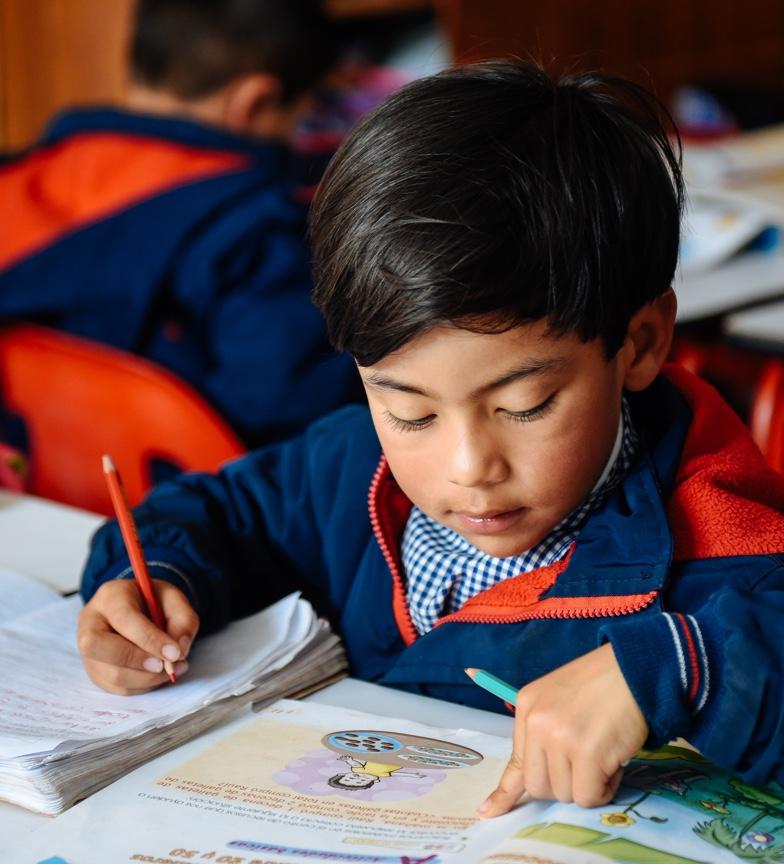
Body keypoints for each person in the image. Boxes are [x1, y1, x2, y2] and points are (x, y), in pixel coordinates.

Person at [77, 61, 784, 814]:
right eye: (411, 412)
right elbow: (218, 512)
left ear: (639, 343)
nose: (468, 467)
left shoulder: (717, 543)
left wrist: (676, 669)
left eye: (526, 405)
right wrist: (148, 578)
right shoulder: (350, 469)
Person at [0, 0, 358, 447]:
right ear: (256, 102)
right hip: (186, 505)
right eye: (300, 117)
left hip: (26, 492)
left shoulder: (17, 178)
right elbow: (298, 430)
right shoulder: (255, 232)